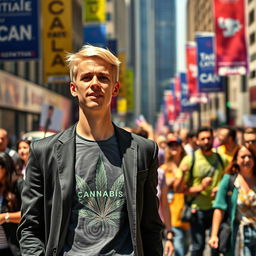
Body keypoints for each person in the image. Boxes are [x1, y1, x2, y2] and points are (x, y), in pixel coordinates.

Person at [17, 45, 163, 256]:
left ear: (115, 88)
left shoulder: (143, 150)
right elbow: (30, 228)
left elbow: (150, 227)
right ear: (73, 88)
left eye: (103, 78)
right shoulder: (43, 152)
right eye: (87, 77)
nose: (95, 84)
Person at [175, 127, 228, 256]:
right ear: (197, 141)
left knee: (216, 247)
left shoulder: (222, 160)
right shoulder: (189, 160)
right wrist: (200, 188)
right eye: (203, 139)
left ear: (213, 139)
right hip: (196, 210)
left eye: (209, 138)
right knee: (198, 247)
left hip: (217, 210)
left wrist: (220, 189)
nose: (206, 141)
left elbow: (231, 181)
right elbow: (178, 189)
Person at [209, 145, 256, 256]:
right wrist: (214, 235)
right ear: (236, 160)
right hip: (239, 233)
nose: (247, 160)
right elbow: (219, 208)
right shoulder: (228, 180)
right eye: (243, 156)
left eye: (250, 156)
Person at [160, 136, 190, 256]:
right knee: (179, 251)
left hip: (186, 211)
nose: (174, 147)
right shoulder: (163, 169)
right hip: (172, 212)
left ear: (181, 148)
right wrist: (178, 175)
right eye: (171, 145)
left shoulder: (188, 165)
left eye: (176, 145)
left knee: (187, 246)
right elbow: (163, 187)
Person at [0, 152, 24, 256]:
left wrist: (5, 217)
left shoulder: (19, 185)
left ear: (4, 168)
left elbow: (31, 214)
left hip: (13, 249)